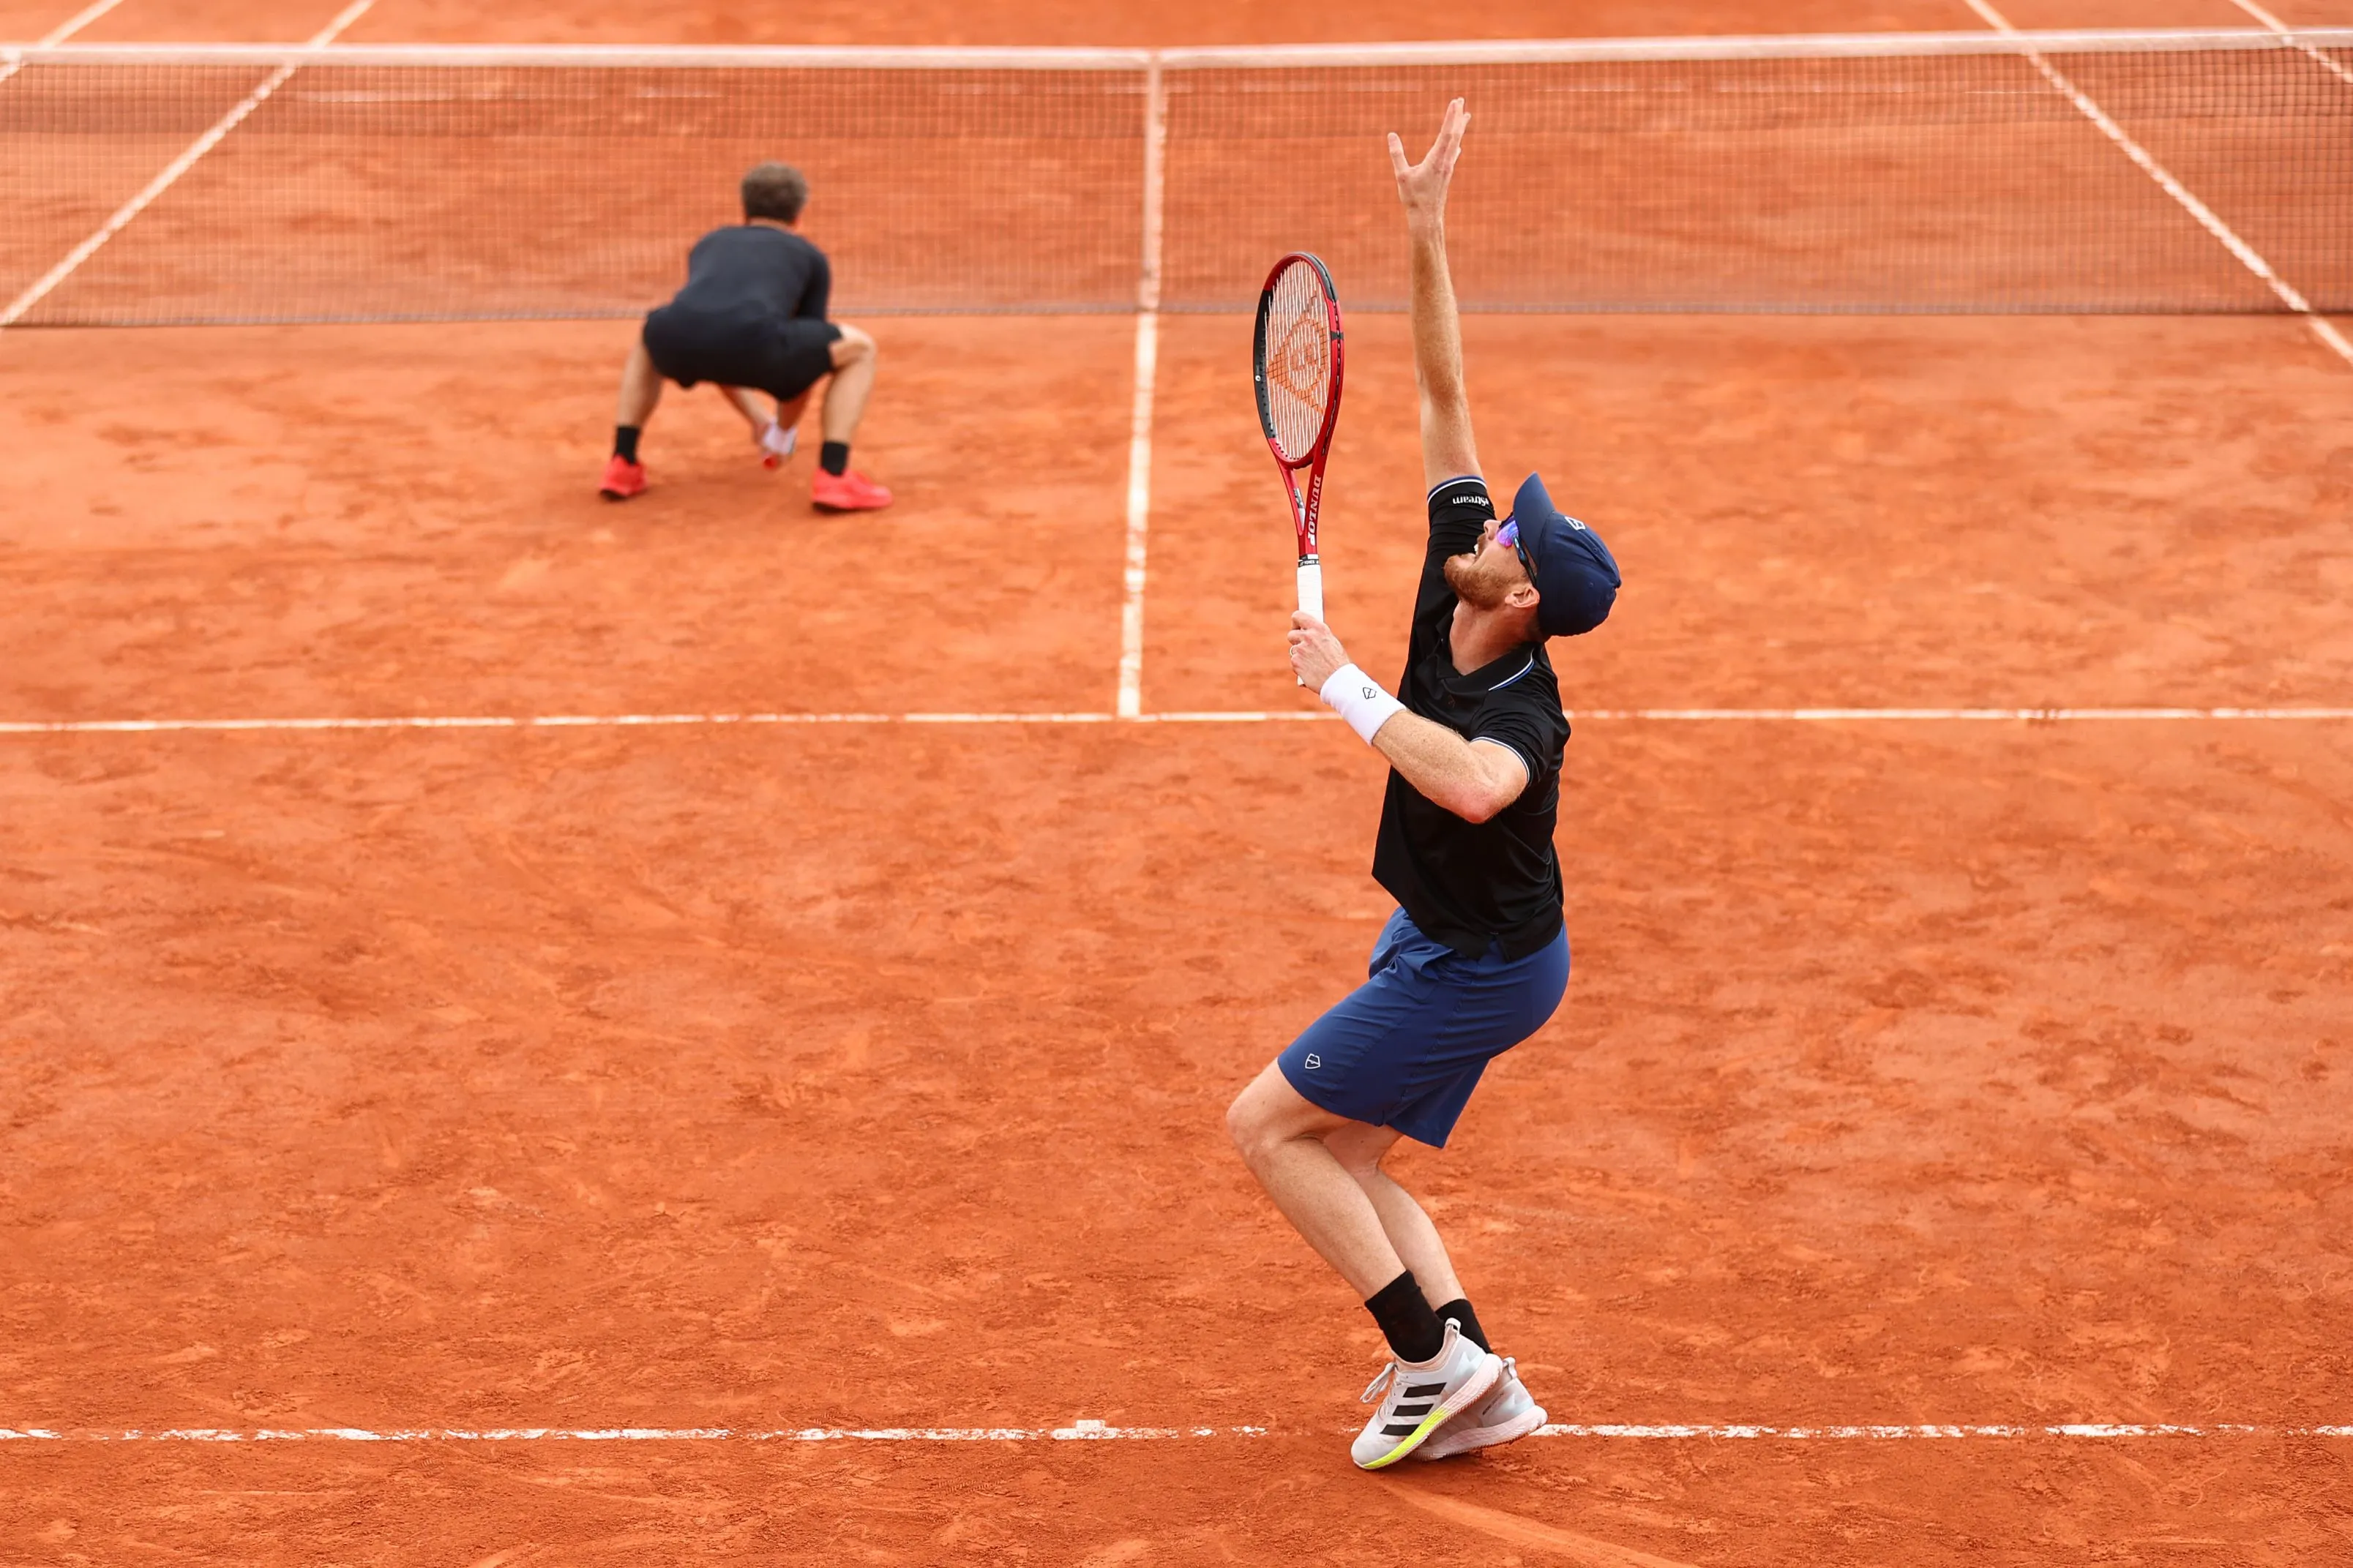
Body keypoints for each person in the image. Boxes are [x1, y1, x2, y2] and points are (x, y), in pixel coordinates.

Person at [1224, 100, 1623, 1471]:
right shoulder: (1469, 557)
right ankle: (1481, 1382)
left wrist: (1343, 683)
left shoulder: (1528, 710)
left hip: (1486, 967)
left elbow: (1468, 785)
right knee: (1354, 1147)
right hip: (1447, 938)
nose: (1495, 515)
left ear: (1523, 597)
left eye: (1517, 531)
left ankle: (1431, 1356)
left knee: (1270, 1127)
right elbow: (1446, 393)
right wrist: (1424, 224)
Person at [599, 161, 891, 512]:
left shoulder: (709, 243)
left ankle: (622, 463)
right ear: (799, 216)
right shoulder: (811, 257)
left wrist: (760, 422)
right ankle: (834, 475)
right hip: (754, 343)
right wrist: (781, 435)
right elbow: (803, 365)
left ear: (745, 210)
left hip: (680, 338)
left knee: (653, 334)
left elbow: (717, 335)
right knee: (860, 349)